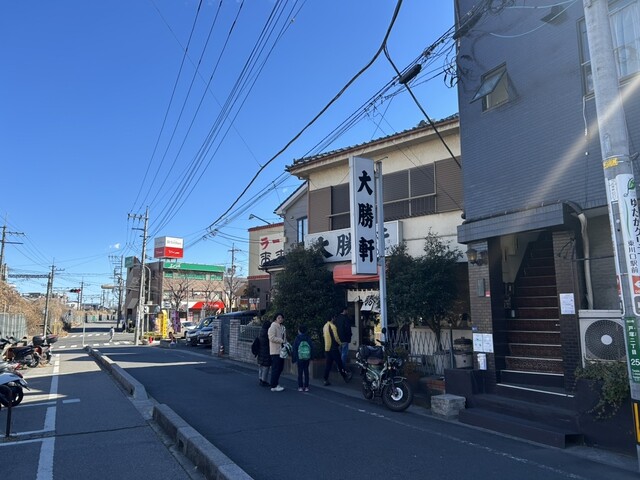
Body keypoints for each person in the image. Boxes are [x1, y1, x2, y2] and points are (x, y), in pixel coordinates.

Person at [322, 314, 352, 386]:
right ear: (332, 318)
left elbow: (324, 336)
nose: (335, 319)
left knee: (328, 365)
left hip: (327, 348)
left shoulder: (325, 326)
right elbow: (336, 337)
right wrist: (340, 343)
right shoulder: (333, 326)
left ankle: (325, 379)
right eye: (334, 317)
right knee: (339, 363)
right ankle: (345, 377)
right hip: (334, 348)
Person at [268, 313, 287, 392]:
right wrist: (281, 341)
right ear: (275, 318)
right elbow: (271, 338)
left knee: (280, 368)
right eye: (278, 318)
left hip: (282, 350)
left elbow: (284, 338)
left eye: (281, 318)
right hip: (275, 351)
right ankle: (274, 385)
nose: (280, 319)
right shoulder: (273, 326)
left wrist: (285, 343)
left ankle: (276, 383)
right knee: (276, 368)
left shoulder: (282, 327)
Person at [292, 325, 312, 392]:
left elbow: (294, 348)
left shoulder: (297, 338)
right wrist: (311, 356)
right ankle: (306, 387)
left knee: (300, 372)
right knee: (306, 371)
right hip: (307, 357)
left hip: (299, 357)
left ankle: (300, 387)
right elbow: (311, 347)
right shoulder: (308, 338)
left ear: (299, 331)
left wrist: (294, 358)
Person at [257, 319, 272, 387]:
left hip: (260, 351)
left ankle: (260, 378)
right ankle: (264, 380)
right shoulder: (267, 333)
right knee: (266, 366)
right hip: (266, 351)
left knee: (261, 366)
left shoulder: (261, 332)